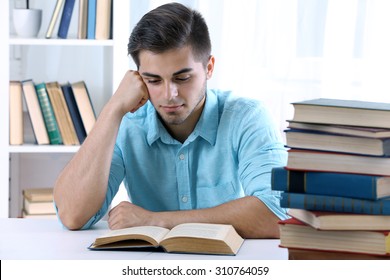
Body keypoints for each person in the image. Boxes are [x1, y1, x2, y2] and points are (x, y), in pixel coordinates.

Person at [53, 2, 288, 238]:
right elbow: (73, 215)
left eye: (182, 78)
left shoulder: (247, 117)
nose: (169, 94)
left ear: (209, 68)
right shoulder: (128, 124)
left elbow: (278, 211)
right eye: (153, 81)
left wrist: (157, 220)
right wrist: (112, 108)